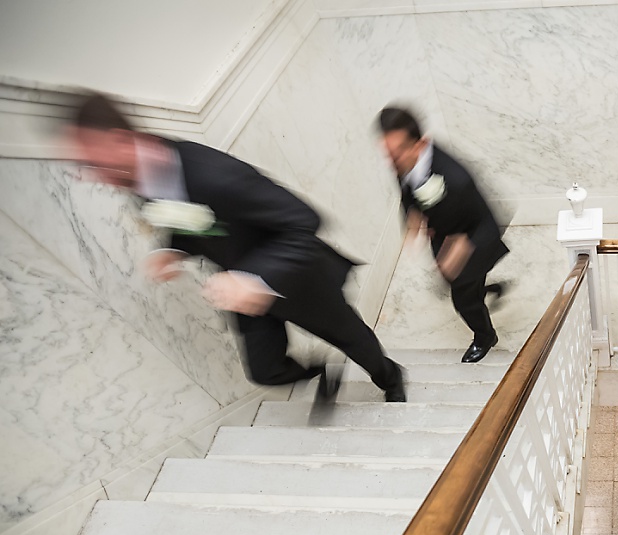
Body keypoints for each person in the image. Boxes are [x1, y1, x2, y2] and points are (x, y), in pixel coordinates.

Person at [66, 92, 406, 402]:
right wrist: (170, 250)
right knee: (264, 370)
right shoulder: (140, 183)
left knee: (352, 339)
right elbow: (188, 222)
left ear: (121, 141)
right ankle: (321, 374)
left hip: (300, 279)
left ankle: (390, 378)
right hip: (242, 289)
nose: (97, 175)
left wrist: (253, 279)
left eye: (96, 161)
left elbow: (304, 221)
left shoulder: (213, 174)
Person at [378, 107, 508, 363]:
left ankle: (485, 336)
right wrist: (413, 219)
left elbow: (490, 223)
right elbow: (408, 192)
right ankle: (481, 291)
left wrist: (464, 245)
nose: (392, 161)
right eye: (388, 153)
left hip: (469, 243)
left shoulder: (457, 178)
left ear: (420, 144)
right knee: (464, 285)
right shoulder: (403, 164)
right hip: (443, 237)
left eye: (398, 152)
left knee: (462, 300)